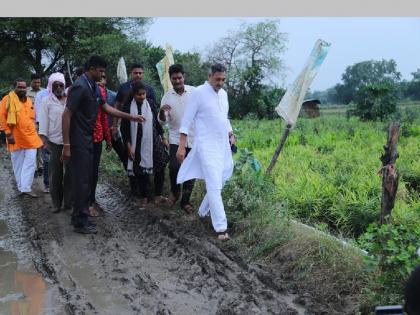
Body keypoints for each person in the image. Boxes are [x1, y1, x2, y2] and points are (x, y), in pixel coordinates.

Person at [61, 55, 145, 234]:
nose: (103, 74)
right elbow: (66, 115)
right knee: (82, 181)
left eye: (103, 71)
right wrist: (67, 145)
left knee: (88, 179)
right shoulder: (79, 86)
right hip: (78, 141)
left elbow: (105, 107)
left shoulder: (94, 87)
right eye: (100, 70)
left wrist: (130, 117)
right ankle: (79, 220)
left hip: (90, 139)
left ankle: (82, 216)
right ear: (91, 69)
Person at [176, 63, 236, 241]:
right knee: (214, 184)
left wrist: (231, 133)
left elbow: (223, 117)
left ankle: (202, 212)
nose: (220, 83)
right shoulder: (198, 93)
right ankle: (221, 228)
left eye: (223, 79)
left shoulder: (224, 94)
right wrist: (181, 145)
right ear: (209, 77)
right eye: (217, 79)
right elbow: (186, 120)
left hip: (222, 145)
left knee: (223, 178)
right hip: (206, 146)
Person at [120, 81, 169, 208]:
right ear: (133, 94)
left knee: (160, 165)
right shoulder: (127, 108)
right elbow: (124, 129)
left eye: (144, 94)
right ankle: (144, 196)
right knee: (139, 170)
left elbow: (156, 123)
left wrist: (162, 136)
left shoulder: (151, 104)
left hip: (153, 140)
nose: (142, 97)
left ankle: (158, 195)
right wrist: (129, 146)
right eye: (139, 94)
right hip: (137, 142)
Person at [113, 63, 157, 195]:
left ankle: (146, 188)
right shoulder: (124, 88)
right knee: (129, 157)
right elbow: (117, 106)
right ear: (131, 73)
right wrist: (115, 125)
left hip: (146, 131)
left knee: (144, 156)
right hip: (128, 127)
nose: (138, 75)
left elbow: (154, 110)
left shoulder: (149, 89)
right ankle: (134, 186)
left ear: (143, 74)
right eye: (135, 73)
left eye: (140, 73)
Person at [158, 64, 196, 213]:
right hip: (175, 138)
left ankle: (185, 202)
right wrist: (161, 112)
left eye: (179, 78)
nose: (177, 81)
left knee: (191, 170)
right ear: (171, 79)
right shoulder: (167, 97)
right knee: (174, 167)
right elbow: (162, 120)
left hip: (194, 138)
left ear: (184, 77)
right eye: (174, 79)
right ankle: (175, 191)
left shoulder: (194, 92)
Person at [0, 78, 43, 197]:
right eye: (19, 87)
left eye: (24, 87)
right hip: (15, 137)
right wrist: (8, 134)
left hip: (31, 137)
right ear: (14, 88)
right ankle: (22, 187)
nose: (22, 89)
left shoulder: (28, 100)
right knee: (18, 164)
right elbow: (2, 118)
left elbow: (32, 118)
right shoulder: (7, 100)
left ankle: (26, 187)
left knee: (30, 162)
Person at [38, 72, 72, 213]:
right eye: (55, 85)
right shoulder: (46, 101)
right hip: (54, 143)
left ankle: (68, 203)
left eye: (61, 85)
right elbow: (43, 122)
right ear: (51, 87)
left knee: (70, 174)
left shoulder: (70, 99)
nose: (58, 87)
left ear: (64, 85)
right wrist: (44, 142)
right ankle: (56, 203)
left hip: (70, 142)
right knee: (55, 175)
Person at [88, 75, 113, 217]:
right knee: (83, 172)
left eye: (103, 77)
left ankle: (90, 200)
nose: (100, 81)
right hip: (82, 139)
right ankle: (83, 201)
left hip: (97, 139)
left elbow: (104, 117)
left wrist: (108, 138)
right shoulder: (80, 90)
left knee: (93, 172)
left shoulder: (101, 92)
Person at [29, 73, 49, 187]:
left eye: (39, 82)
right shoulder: (26, 92)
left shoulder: (45, 92)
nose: (37, 84)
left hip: (40, 123)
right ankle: (34, 168)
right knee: (33, 147)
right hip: (29, 123)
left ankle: (41, 167)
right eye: (35, 82)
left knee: (41, 145)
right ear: (31, 81)